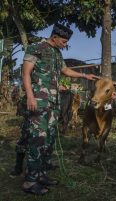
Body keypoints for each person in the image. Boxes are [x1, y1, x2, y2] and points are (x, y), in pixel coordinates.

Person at [21, 23, 99, 195]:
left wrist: (84, 75)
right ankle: (29, 181)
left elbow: (65, 70)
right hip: (38, 102)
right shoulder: (35, 47)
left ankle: (41, 174)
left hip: (53, 104)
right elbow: (25, 73)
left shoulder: (57, 52)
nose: (65, 45)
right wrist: (30, 96)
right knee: (37, 140)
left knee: (48, 140)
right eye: (63, 41)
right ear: (54, 37)